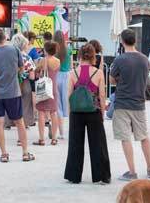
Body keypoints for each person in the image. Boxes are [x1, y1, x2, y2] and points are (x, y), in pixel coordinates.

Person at [0, 29, 34, 163]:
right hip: (13, 92)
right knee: (19, 122)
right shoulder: (14, 50)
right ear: (5, 37)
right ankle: (25, 153)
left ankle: (4, 154)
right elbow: (22, 69)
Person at [110, 29, 150, 180]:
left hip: (122, 102)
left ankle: (132, 171)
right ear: (135, 40)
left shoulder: (119, 60)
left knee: (125, 138)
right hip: (139, 102)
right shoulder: (144, 59)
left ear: (122, 41)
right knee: (144, 136)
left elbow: (111, 79)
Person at [64, 43, 111, 184]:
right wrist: (102, 112)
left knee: (75, 144)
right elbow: (102, 95)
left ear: (79, 55)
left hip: (76, 112)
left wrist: (69, 112)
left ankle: (73, 175)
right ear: (93, 56)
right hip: (94, 111)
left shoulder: (73, 73)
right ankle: (102, 175)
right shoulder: (99, 73)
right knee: (98, 144)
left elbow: (69, 95)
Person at [34, 41, 61, 146]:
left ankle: (41, 139)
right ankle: (54, 138)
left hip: (44, 88)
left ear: (46, 50)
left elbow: (37, 72)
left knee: (41, 112)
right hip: (53, 88)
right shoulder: (58, 61)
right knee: (53, 113)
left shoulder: (43, 60)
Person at [11, 33, 36, 131]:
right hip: (25, 83)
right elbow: (32, 76)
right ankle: (24, 123)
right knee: (25, 104)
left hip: (12, 83)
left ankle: (8, 122)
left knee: (11, 103)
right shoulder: (27, 58)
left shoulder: (10, 56)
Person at [54, 30, 71, 138]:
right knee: (68, 103)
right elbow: (71, 65)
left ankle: (61, 133)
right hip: (67, 76)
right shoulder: (68, 50)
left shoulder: (54, 50)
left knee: (58, 105)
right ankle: (70, 131)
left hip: (56, 76)